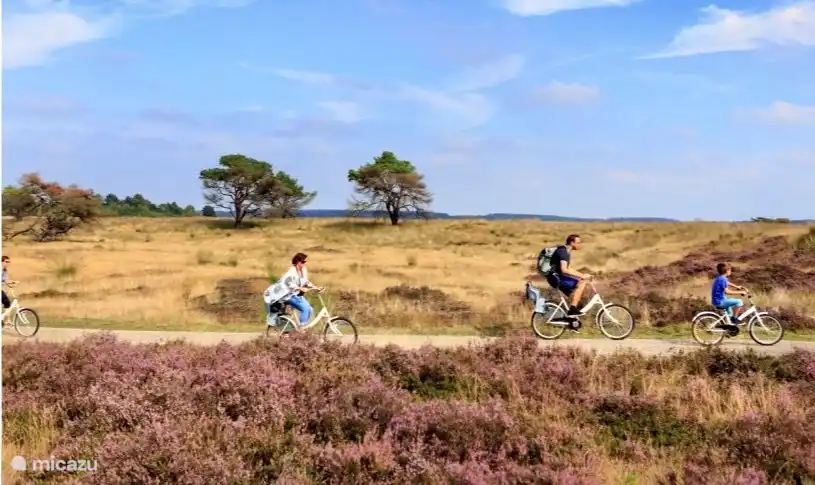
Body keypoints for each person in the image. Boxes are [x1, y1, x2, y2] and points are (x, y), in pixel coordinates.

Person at [263, 252, 321, 327]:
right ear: (297, 262)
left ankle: (303, 326)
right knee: (305, 309)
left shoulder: (303, 271)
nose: (304, 264)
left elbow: (306, 282)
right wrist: (300, 288)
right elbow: (288, 283)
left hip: (296, 294)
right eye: (302, 262)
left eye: (305, 262)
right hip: (288, 295)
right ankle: (302, 329)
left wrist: (315, 287)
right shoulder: (291, 272)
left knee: (309, 309)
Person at [545, 234, 593, 318]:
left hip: (555, 277)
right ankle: (572, 310)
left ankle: (572, 321)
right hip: (556, 278)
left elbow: (568, 268)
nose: (579, 245)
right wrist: (582, 276)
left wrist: (581, 275)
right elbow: (564, 269)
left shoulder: (564, 250)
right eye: (578, 243)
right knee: (582, 283)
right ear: (572, 243)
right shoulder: (564, 253)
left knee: (575, 299)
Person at [711, 262, 747, 329]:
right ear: (726, 271)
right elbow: (727, 292)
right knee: (739, 302)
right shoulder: (723, 279)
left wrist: (737, 286)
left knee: (729, 313)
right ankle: (734, 318)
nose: (730, 271)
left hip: (717, 300)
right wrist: (740, 292)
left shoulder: (720, 278)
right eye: (730, 270)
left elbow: (727, 283)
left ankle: (729, 329)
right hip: (720, 302)